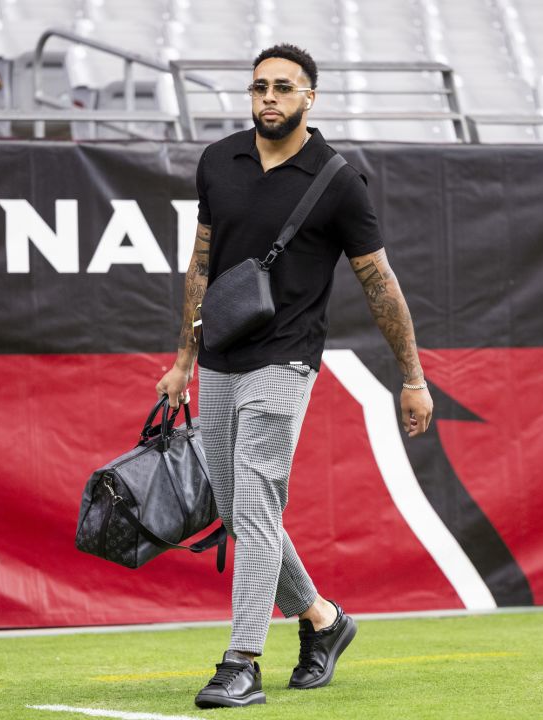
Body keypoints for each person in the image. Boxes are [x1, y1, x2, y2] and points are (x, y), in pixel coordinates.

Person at [155, 43, 434, 709]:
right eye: (259, 88)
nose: (269, 98)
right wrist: (183, 360)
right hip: (220, 357)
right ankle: (322, 621)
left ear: (310, 97)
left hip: (286, 359)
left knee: (253, 504)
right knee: (236, 510)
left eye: (284, 87)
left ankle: (241, 661)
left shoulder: (338, 179)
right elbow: (200, 266)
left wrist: (413, 376)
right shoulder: (218, 161)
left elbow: (379, 284)